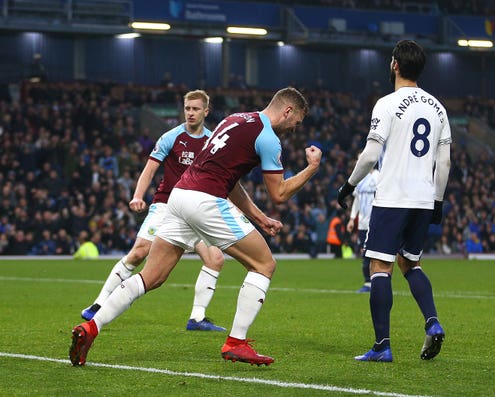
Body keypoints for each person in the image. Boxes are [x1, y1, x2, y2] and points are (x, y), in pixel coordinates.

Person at [69, 87, 322, 367]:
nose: (294, 129)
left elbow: (231, 179)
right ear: (287, 111)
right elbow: (281, 194)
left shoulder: (234, 119)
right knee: (264, 265)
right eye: (296, 122)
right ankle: (236, 343)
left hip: (178, 198)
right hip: (206, 200)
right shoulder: (268, 138)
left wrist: (259, 218)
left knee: (151, 276)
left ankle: (91, 327)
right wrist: (312, 168)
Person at [337, 40, 451, 362]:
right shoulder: (438, 108)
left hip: (392, 197)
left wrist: (348, 185)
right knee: (410, 263)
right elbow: (444, 164)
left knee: (379, 267)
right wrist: (438, 201)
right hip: (423, 198)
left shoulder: (386, 104)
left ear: (395, 65)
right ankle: (432, 322)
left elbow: (371, 154)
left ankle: (382, 346)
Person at [79, 90, 227, 332]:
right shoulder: (171, 137)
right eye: (187, 108)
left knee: (215, 258)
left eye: (195, 109)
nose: (190, 113)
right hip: (167, 206)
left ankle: (197, 318)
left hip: (195, 210)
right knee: (139, 253)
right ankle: (98, 304)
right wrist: (138, 196)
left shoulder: (213, 142)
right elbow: (149, 170)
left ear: (206, 112)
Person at [346, 167, 379, 293]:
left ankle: (376, 282)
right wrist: (352, 218)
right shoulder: (360, 177)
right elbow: (357, 200)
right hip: (362, 224)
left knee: (375, 254)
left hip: (376, 222)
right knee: (364, 254)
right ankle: (368, 283)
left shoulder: (378, 176)